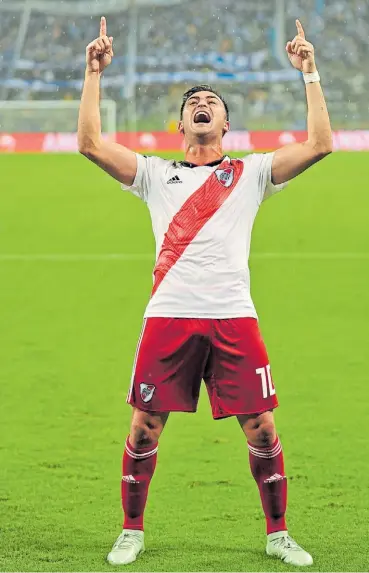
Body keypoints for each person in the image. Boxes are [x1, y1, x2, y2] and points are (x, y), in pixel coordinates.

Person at [78, 16, 332, 568]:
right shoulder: (152, 175)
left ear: (225, 123)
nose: (202, 103)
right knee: (144, 427)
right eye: (193, 99)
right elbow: (90, 144)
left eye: (211, 100)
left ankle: (279, 533)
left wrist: (309, 71)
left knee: (263, 426)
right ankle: (131, 530)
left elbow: (320, 143)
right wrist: (93, 73)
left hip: (233, 316)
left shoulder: (254, 172)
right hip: (168, 315)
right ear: (180, 124)